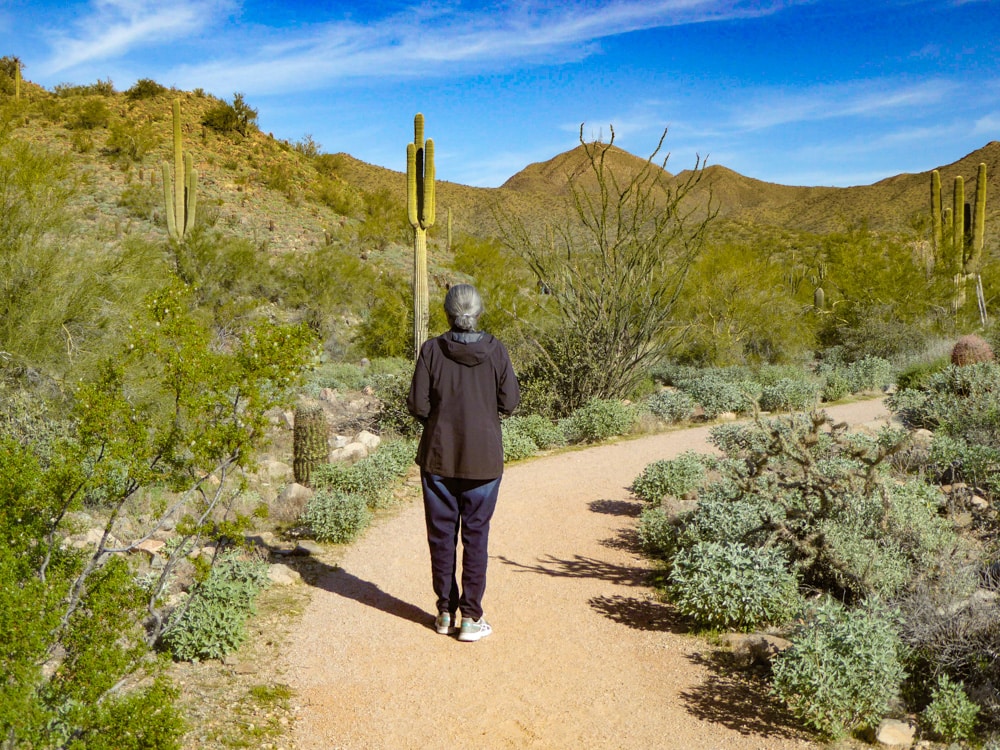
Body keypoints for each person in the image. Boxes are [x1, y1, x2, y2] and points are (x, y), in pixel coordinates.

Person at [407, 284, 520, 642]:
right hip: (483, 461)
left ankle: (444, 613)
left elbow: (418, 406)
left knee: (441, 537)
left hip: (438, 459)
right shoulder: (496, 350)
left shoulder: (431, 351)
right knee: (476, 538)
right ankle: (471, 618)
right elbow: (511, 401)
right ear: (478, 312)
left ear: (447, 313)